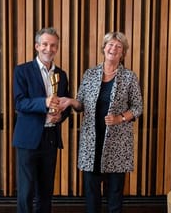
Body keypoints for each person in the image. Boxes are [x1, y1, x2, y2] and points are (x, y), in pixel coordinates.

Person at [58, 32, 143, 213]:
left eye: (118, 47)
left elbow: (137, 107)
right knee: (91, 194)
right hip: (91, 144)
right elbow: (81, 104)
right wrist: (71, 101)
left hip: (117, 145)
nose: (113, 49)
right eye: (110, 45)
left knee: (114, 196)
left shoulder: (129, 77)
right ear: (104, 48)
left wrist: (120, 118)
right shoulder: (90, 74)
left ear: (123, 53)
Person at [12, 27, 70, 213]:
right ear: (37, 46)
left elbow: (66, 104)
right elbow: (19, 103)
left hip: (50, 138)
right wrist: (44, 102)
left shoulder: (62, 75)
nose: (49, 48)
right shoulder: (22, 71)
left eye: (53, 45)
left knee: (46, 192)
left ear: (57, 48)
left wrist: (61, 116)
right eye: (45, 44)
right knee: (26, 192)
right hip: (28, 139)